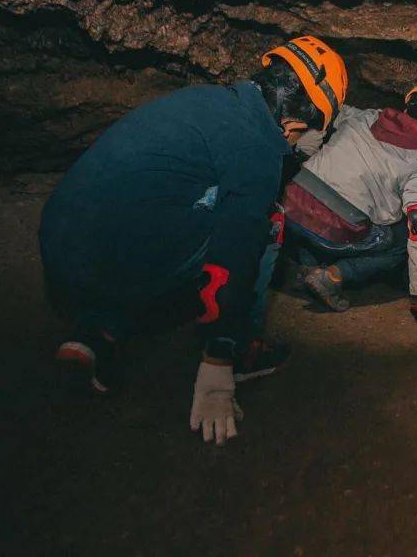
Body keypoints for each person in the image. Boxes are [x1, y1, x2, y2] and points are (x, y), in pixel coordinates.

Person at [39, 35, 349, 445]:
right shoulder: (259, 147)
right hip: (109, 261)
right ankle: (240, 351)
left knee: (176, 204)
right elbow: (236, 248)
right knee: (266, 220)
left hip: (60, 243)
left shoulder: (207, 100)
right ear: (298, 121)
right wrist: (217, 359)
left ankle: (95, 333)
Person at [282, 75, 417, 322]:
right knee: (399, 240)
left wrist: (303, 156)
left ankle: (305, 265)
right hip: (334, 228)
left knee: (314, 206)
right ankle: (333, 275)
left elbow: (323, 112)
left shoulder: (366, 116)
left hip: (289, 202)